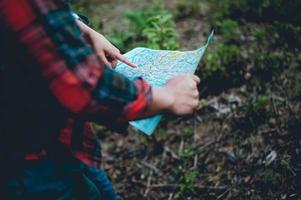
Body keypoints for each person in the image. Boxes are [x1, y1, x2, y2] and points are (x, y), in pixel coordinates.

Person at [0, 0, 200, 199]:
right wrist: (168, 97)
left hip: (62, 137)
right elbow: (84, 85)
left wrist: (78, 26)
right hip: (30, 160)